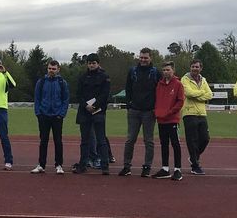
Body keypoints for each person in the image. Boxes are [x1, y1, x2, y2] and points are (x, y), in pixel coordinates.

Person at [120, 48, 158, 177]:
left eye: (145, 57)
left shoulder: (155, 72)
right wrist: (129, 105)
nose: (143, 60)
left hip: (149, 112)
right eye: (141, 57)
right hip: (134, 110)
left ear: (150, 58)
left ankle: (147, 166)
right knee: (130, 139)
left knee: (149, 141)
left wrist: (155, 107)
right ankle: (126, 166)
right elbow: (128, 88)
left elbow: (159, 91)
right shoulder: (132, 71)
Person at [73, 54, 111, 175]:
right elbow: (78, 94)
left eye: (94, 63)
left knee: (101, 139)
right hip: (85, 112)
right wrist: (86, 105)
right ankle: (83, 164)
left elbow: (105, 94)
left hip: (99, 111)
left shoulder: (105, 77)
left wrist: (94, 105)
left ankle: (105, 165)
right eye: (89, 63)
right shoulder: (83, 77)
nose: (91, 65)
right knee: (85, 140)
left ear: (98, 63)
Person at [31, 59, 69, 175]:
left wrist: (61, 114)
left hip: (57, 116)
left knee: (58, 141)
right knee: (43, 141)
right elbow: (37, 98)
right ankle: (41, 165)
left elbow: (65, 99)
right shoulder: (41, 82)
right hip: (44, 115)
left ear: (58, 69)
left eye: (53, 69)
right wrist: (38, 113)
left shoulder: (62, 82)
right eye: (49, 68)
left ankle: (59, 165)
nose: (51, 71)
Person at [152, 62, 185, 181]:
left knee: (175, 144)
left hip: (172, 120)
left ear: (173, 70)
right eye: (164, 70)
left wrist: (170, 112)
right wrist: (158, 112)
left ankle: (177, 169)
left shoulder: (178, 84)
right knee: (164, 144)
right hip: (161, 120)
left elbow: (180, 101)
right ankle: (165, 168)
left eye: (168, 70)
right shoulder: (159, 84)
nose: (166, 72)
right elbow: (157, 99)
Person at [181, 59, 214, 175]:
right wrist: (202, 94)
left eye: (197, 67)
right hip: (189, 113)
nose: (194, 68)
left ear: (201, 68)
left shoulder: (203, 80)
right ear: (190, 67)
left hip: (201, 113)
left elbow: (210, 94)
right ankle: (195, 165)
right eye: (193, 66)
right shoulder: (184, 79)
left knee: (205, 138)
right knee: (192, 140)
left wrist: (198, 95)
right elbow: (188, 93)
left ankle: (193, 157)